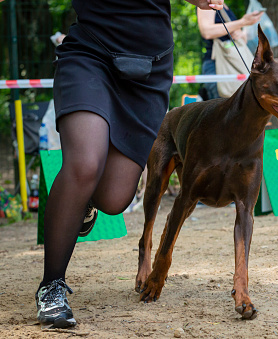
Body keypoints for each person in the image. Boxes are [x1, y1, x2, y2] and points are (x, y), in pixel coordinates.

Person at [35, 0, 224, 329]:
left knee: (114, 198)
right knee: (84, 165)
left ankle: (88, 202)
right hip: (90, 54)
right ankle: (52, 287)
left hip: (147, 71)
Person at [197, 4, 263, 100]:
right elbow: (207, 31)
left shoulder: (224, 6)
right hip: (217, 65)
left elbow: (238, 37)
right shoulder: (209, 2)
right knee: (222, 111)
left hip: (231, 64)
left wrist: (240, 34)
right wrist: (242, 22)